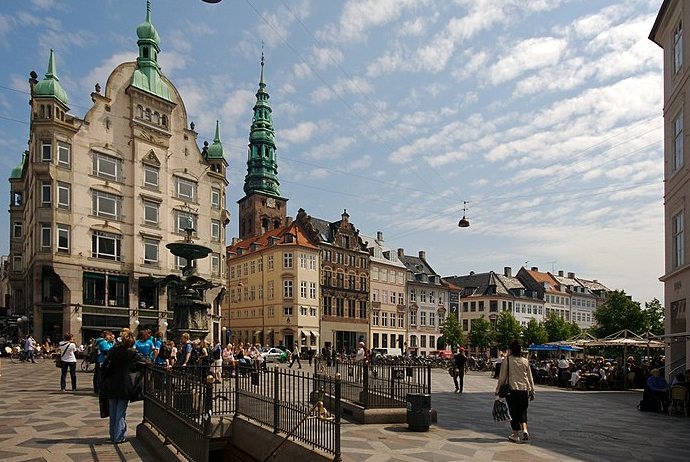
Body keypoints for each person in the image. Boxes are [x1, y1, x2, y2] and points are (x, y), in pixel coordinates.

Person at [100, 331, 146, 444]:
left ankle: (113, 434)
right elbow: (146, 362)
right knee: (121, 411)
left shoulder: (113, 350)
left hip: (111, 382)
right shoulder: (133, 353)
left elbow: (106, 364)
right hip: (124, 384)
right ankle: (119, 437)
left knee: (113, 411)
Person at [495, 340, 535, 443]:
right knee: (523, 411)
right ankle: (525, 429)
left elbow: (502, 377)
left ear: (511, 349)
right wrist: (532, 391)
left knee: (513, 413)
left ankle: (515, 434)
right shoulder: (525, 361)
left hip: (512, 390)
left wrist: (498, 389)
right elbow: (530, 377)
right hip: (524, 390)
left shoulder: (507, 360)